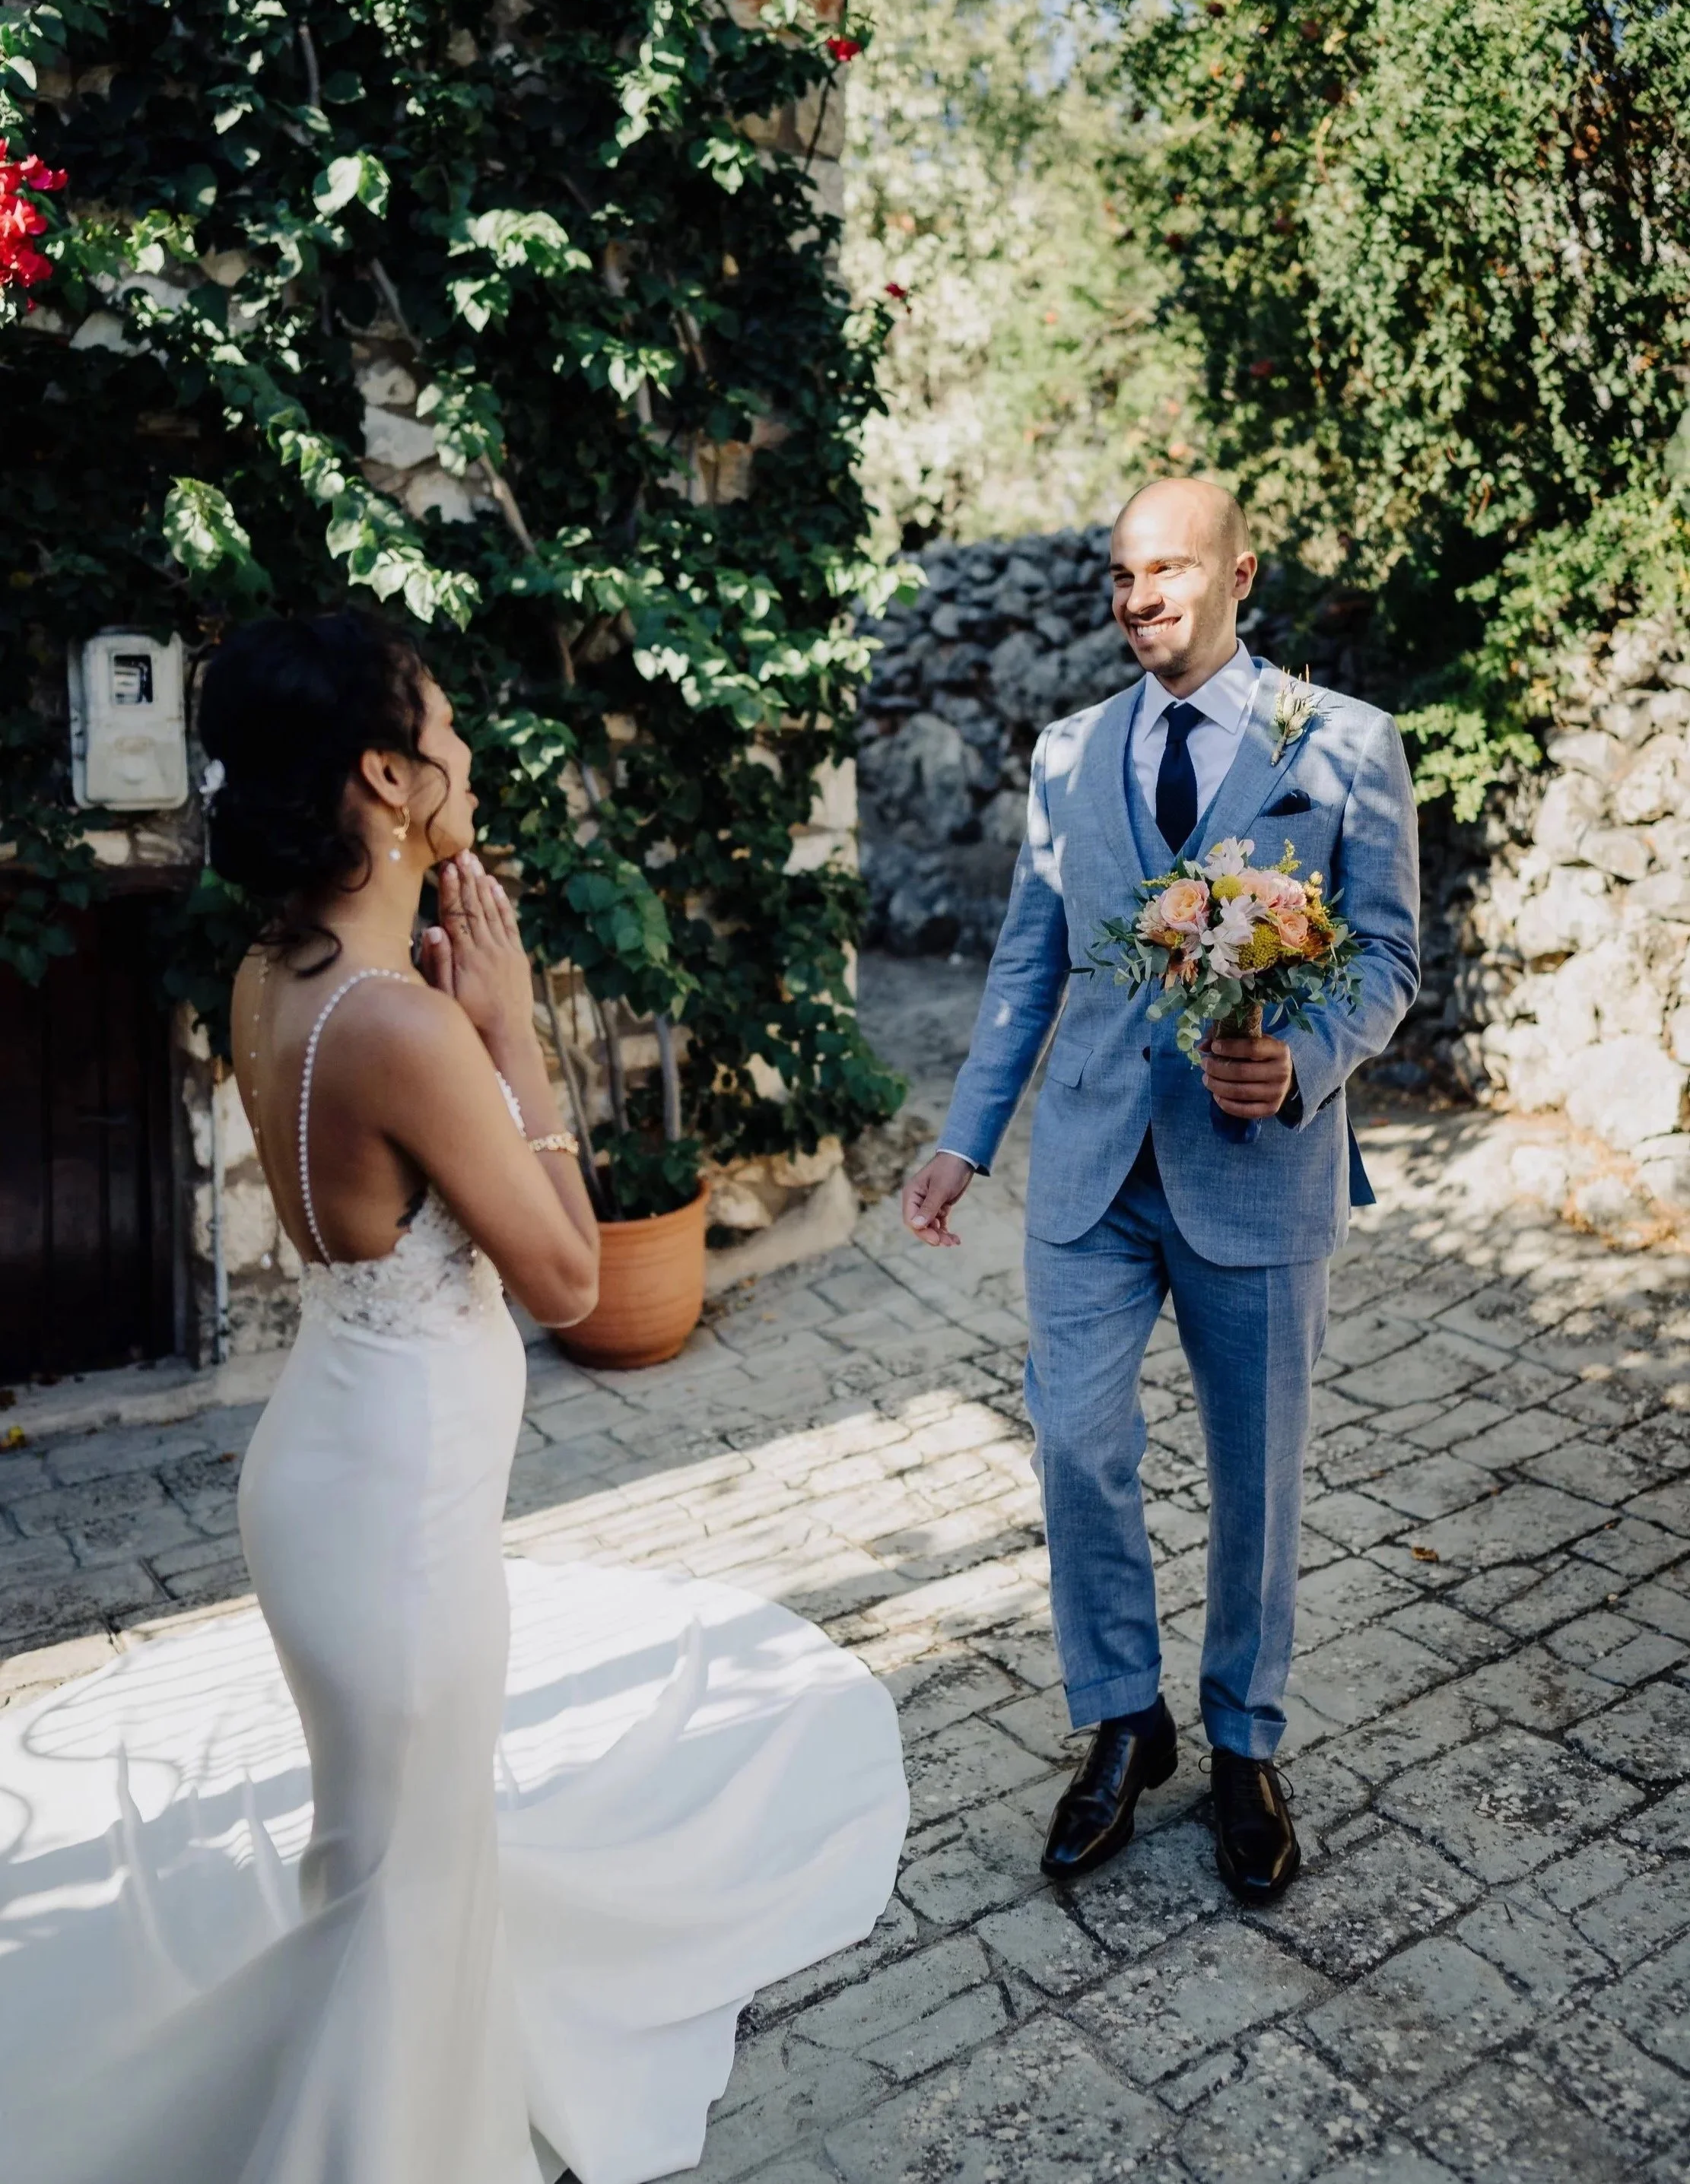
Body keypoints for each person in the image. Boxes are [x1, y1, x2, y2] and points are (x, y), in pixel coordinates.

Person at [0, 610, 907, 2184]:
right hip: (397, 1524)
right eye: (448, 726)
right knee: (401, 1882)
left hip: (341, 1478)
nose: (471, 752)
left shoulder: (270, 973)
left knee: (391, 1864)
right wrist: (512, 1034)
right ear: (383, 772)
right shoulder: (402, 1025)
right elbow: (566, 1281)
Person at [903, 480, 1419, 1903]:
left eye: (1168, 570)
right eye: (1122, 574)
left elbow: (1383, 955)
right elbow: (1030, 962)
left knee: (1256, 1476)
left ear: (1237, 572)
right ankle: (1124, 1721)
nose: (1139, 597)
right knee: (1073, 1443)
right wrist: (965, 1138)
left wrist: (1305, 1060)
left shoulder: (1346, 746)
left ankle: (1245, 1743)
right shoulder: (1066, 754)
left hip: (1254, 1169)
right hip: (1087, 1165)